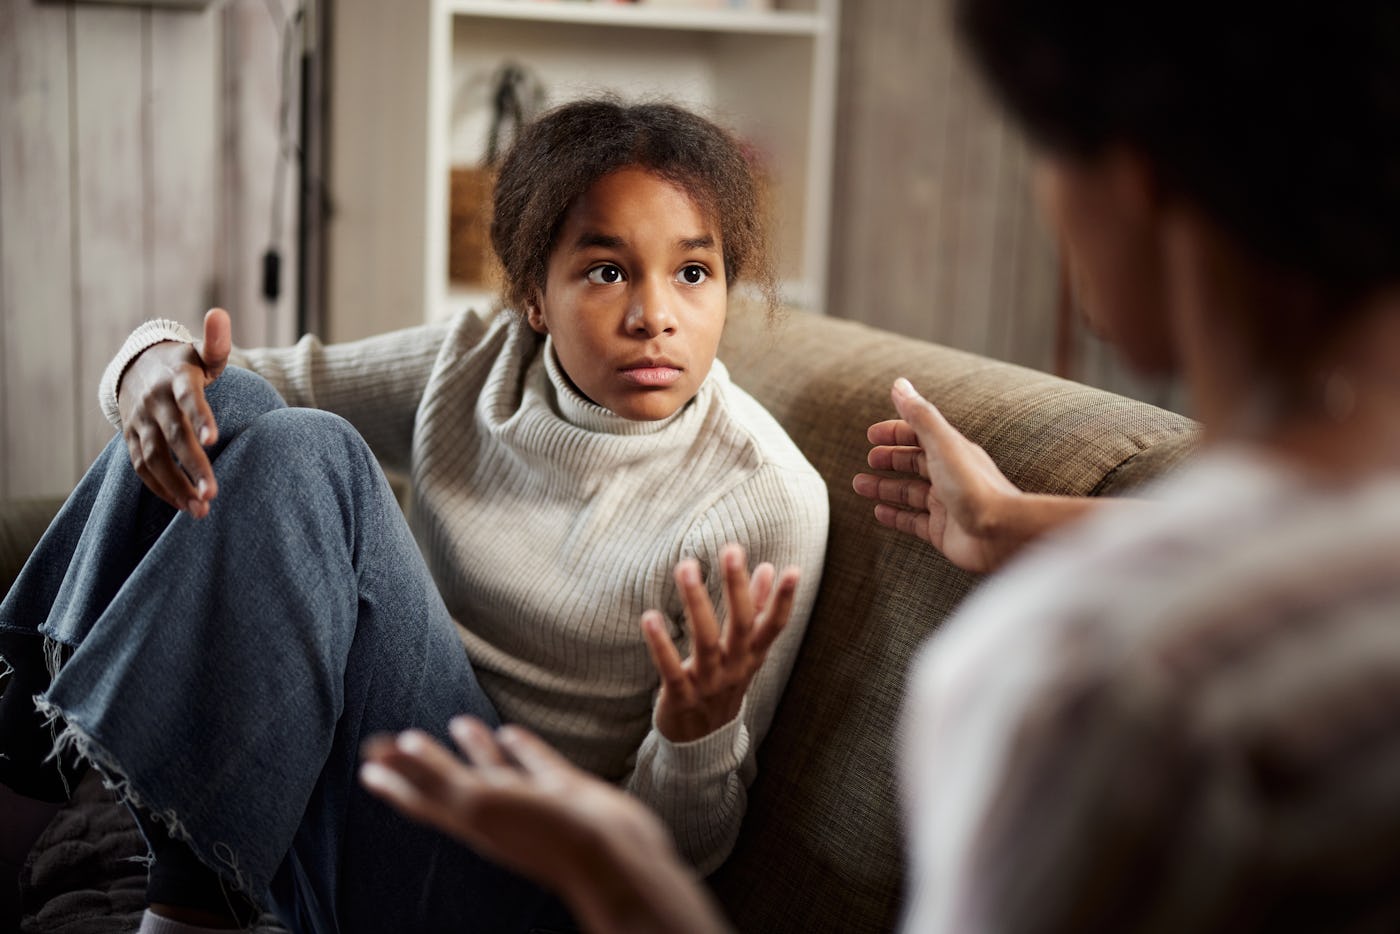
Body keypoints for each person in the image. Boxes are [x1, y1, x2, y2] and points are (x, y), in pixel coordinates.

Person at [360, 1, 1400, 931]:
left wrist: (621, 869)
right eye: (605, 269)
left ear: (1134, 184)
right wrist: (1002, 522)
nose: (653, 312)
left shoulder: (1088, 684)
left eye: (1042, 151)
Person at [0, 98, 829, 932]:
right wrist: (144, 361)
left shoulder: (764, 500)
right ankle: (19, 776)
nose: (657, 316)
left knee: (315, 452)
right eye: (608, 271)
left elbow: (672, 867)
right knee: (225, 404)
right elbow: (224, 379)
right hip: (380, 787)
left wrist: (695, 735)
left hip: (526, 887)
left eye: (693, 273)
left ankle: (184, 910)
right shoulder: (478, 362)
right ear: (534, 296)